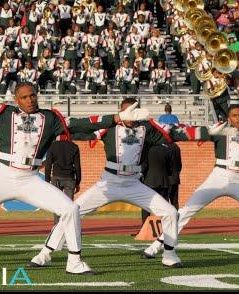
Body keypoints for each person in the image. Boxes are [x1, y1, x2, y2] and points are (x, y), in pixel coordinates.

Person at [0, 83, 149, 276]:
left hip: (30, 178)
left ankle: (74, 261)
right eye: (25, 97)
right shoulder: (4, 114)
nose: (30, 100)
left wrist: (117, 117)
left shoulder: (50, 118)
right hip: (3, 175)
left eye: (33, 95)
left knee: (70, 208)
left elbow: (81, 123)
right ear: (17, 99)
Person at [29, 98, 214, 269]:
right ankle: (44, 254)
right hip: (109, 183)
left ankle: (169, 254)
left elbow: (173, 134)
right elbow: (82, 131)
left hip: (133, 183)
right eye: (128, 112)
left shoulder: (146, 128)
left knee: (171, 212)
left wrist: (207, 132)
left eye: (135, 112)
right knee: (72, 211)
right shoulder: (109, 128)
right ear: (121, 112)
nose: (132, 116)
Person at [143, 105, 239, 260]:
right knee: (187, 210)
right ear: (228, 118)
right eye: (235, 115)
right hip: (218, 176)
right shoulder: (219, 129)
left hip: (238, 180)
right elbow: (193, 132)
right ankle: (156, 245)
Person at [43, 135, 81, 224]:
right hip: (70, 178)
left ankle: (57, 226)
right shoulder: (74, 146)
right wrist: (78, 182)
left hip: (56, 177)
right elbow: (77, 166)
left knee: (57, 203)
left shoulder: (52, 146)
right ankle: (67, 225)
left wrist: (47, 181)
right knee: (69, 205)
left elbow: (48, 164)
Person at [140, 143, 171, 224]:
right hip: (164, 181)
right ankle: (162, 227)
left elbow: (144, 166)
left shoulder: (146, 150)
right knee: (163, 205)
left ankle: (145, 227)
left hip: (150, 181)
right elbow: (169, 167)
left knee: (146, 205)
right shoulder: (166, 149)